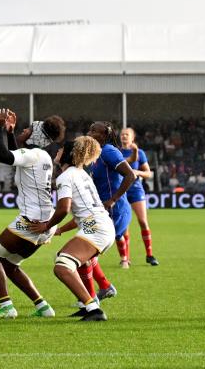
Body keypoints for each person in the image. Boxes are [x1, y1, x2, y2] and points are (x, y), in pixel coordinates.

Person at [0, 108, 64, 319]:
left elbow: (4, 156)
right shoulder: (43, 155)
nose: (25, 130)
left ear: (34, 136)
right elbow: (16, 157)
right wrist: (11, 134)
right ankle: (43, 307)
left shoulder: (32, 154)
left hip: (32, 220)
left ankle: (6, 307)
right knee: (10, 265)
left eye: (29, 129)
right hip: (46, 222)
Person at [30, 136, 115, 321]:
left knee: (62, 266)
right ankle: (89, 304)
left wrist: (46, 226)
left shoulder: (65, 176)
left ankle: (94, 310)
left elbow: (63, 209)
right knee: (71, 259)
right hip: (101, 225)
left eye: (60, 150)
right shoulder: (82, 173)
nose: (57, 152)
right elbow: (80, 215)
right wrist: (58, 230)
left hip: (97, 227)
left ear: (67, 154)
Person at [83, 121, 138, 300]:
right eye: (89, 129)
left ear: (104, 135)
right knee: (85, 252)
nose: (89, 133)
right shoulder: (96, 153)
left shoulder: (108, 151)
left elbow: (131, 175)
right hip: (101, 210)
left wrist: (113, 200)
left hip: (114, 211)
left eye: (94, 130)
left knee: (84, 252)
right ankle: (104, 288)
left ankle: (90, 298)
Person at [120, 127, 158, 267]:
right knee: (124, 225)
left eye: (127, 134)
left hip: (135, 189)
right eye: (122, 134)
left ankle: (149, 255)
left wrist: (137, 172)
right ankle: (125, 258)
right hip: (121, 190)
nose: (124, 136)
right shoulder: (117, 152)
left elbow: (148, 173)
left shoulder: (140, 153)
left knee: (142, 221)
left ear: (132, 138)